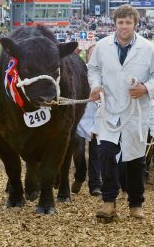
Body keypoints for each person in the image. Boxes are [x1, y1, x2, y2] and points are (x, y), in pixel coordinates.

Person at [88, 4, 154, 220]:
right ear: (114, 23)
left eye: (128, 22)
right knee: (106, 154)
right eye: (120, 22)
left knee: (134, 159)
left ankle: (135, 204)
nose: (124, 26)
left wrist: (146, 88)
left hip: (135, 112)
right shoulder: (102, 46)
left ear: (135, 23)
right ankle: (109, 202)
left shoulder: (148, 48)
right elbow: (93, 69)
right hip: (110, 111)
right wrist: (95, 86)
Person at [71, 44, 102, 197]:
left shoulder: (106, 73)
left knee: (96, 153)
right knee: (78, 151)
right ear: (87, 55)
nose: (94, 55)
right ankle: (80, 175)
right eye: (91, 53)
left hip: (98, 118)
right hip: (80, 116)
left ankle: (95, 184)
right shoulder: (81, 72)